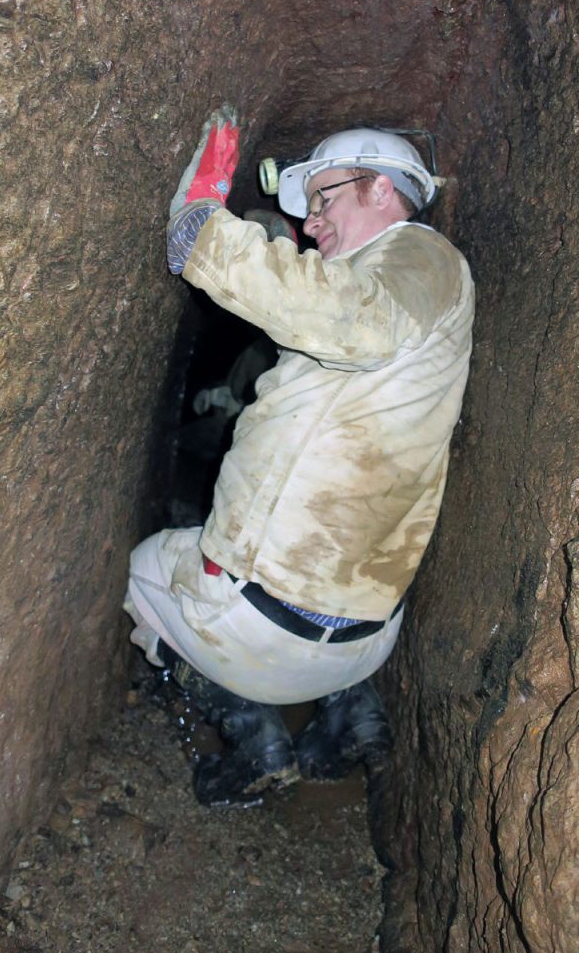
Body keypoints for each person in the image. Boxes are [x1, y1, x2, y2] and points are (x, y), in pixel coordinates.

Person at [125, 125, 474, 805]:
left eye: (323, 200)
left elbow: (355, 321)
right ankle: (352, 714)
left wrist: (206, 232)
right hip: (368, 640)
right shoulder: (419, 306)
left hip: (258, 633)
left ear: (379, 187)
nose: (311, 224)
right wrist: (285, 253)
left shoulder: (422, 256)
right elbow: (340, 327)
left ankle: (255, 738)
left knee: (146, 571)